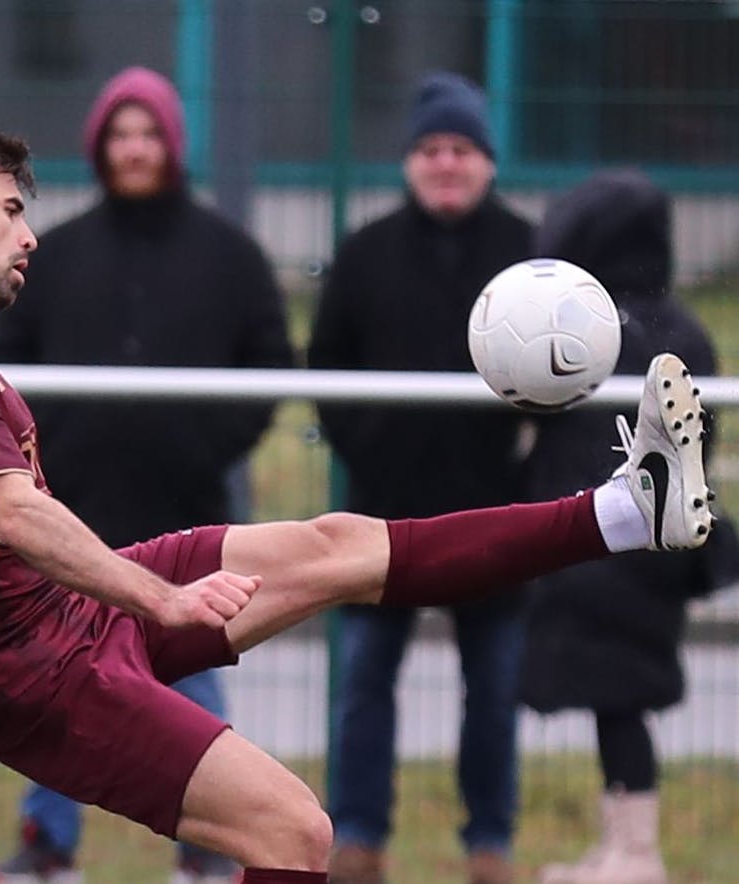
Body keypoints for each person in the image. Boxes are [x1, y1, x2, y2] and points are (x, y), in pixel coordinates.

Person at [0, 125, 713, 884]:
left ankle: (628, 510)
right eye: (10, 209)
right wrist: (159, 599)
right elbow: (15, 515)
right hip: (36, 672)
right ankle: (626, 512)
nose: (28, 235)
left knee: (338, 545)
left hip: (60, 622)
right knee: (292, 830)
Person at [0, 66, 295, 884]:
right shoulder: (54, 254)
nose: (134, 149)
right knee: (58, 676)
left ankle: (210, 850)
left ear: (172, 145)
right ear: (99, 147)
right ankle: (47, 846)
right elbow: (3, 367)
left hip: (185, 504)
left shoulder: (228, 256)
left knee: (188, 670)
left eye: (148, 134)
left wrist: (204, 446)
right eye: (120, 134)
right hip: (72, 510)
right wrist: (48, 452)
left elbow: (269, 361)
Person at [307, 71, 535, 884]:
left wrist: (524, 465)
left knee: (495, 689)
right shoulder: (365, 253)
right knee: (364, 683)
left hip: (496, 519)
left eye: (461, 148)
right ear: (409, 160)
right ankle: (357, 838)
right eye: (431, 148)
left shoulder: (529, 255)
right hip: (383, 516)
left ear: (487, 161)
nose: (445, 163)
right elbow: (326, 367)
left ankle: (489, 846)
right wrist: (371, 450)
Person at [520, 169, 735, 884]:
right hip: (650, 543)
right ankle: (621, 844)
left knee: (618, 701)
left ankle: (636, 853)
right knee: (616, 701)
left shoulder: (595, 329)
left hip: (609, 541)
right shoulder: (681, 328)